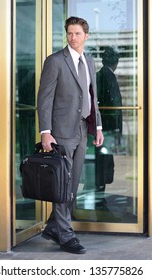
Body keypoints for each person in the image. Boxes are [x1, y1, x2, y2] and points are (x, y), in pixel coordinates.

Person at [37, 16, 104, 254]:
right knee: (63, 184)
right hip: (61, 131)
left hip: (82, 129)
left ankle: (54, 227)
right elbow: (44, 98)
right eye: (69, 33)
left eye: (77, 34)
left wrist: (97, 126)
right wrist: (46, 132)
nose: (72, 38)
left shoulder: (89, 60)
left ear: (86, 36)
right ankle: (66, 235)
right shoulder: (55, 61)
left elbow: (92, 97)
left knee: (73, 183)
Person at [95, 46, 122, 192]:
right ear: (115, 62)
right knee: (104, 159)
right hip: (108, 126)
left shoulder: (99, 74)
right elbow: (114, 105)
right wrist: (117, 128)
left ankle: (98, 188)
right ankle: (99, 190)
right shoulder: (109, 76)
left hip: (102, 125)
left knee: (101, 159)